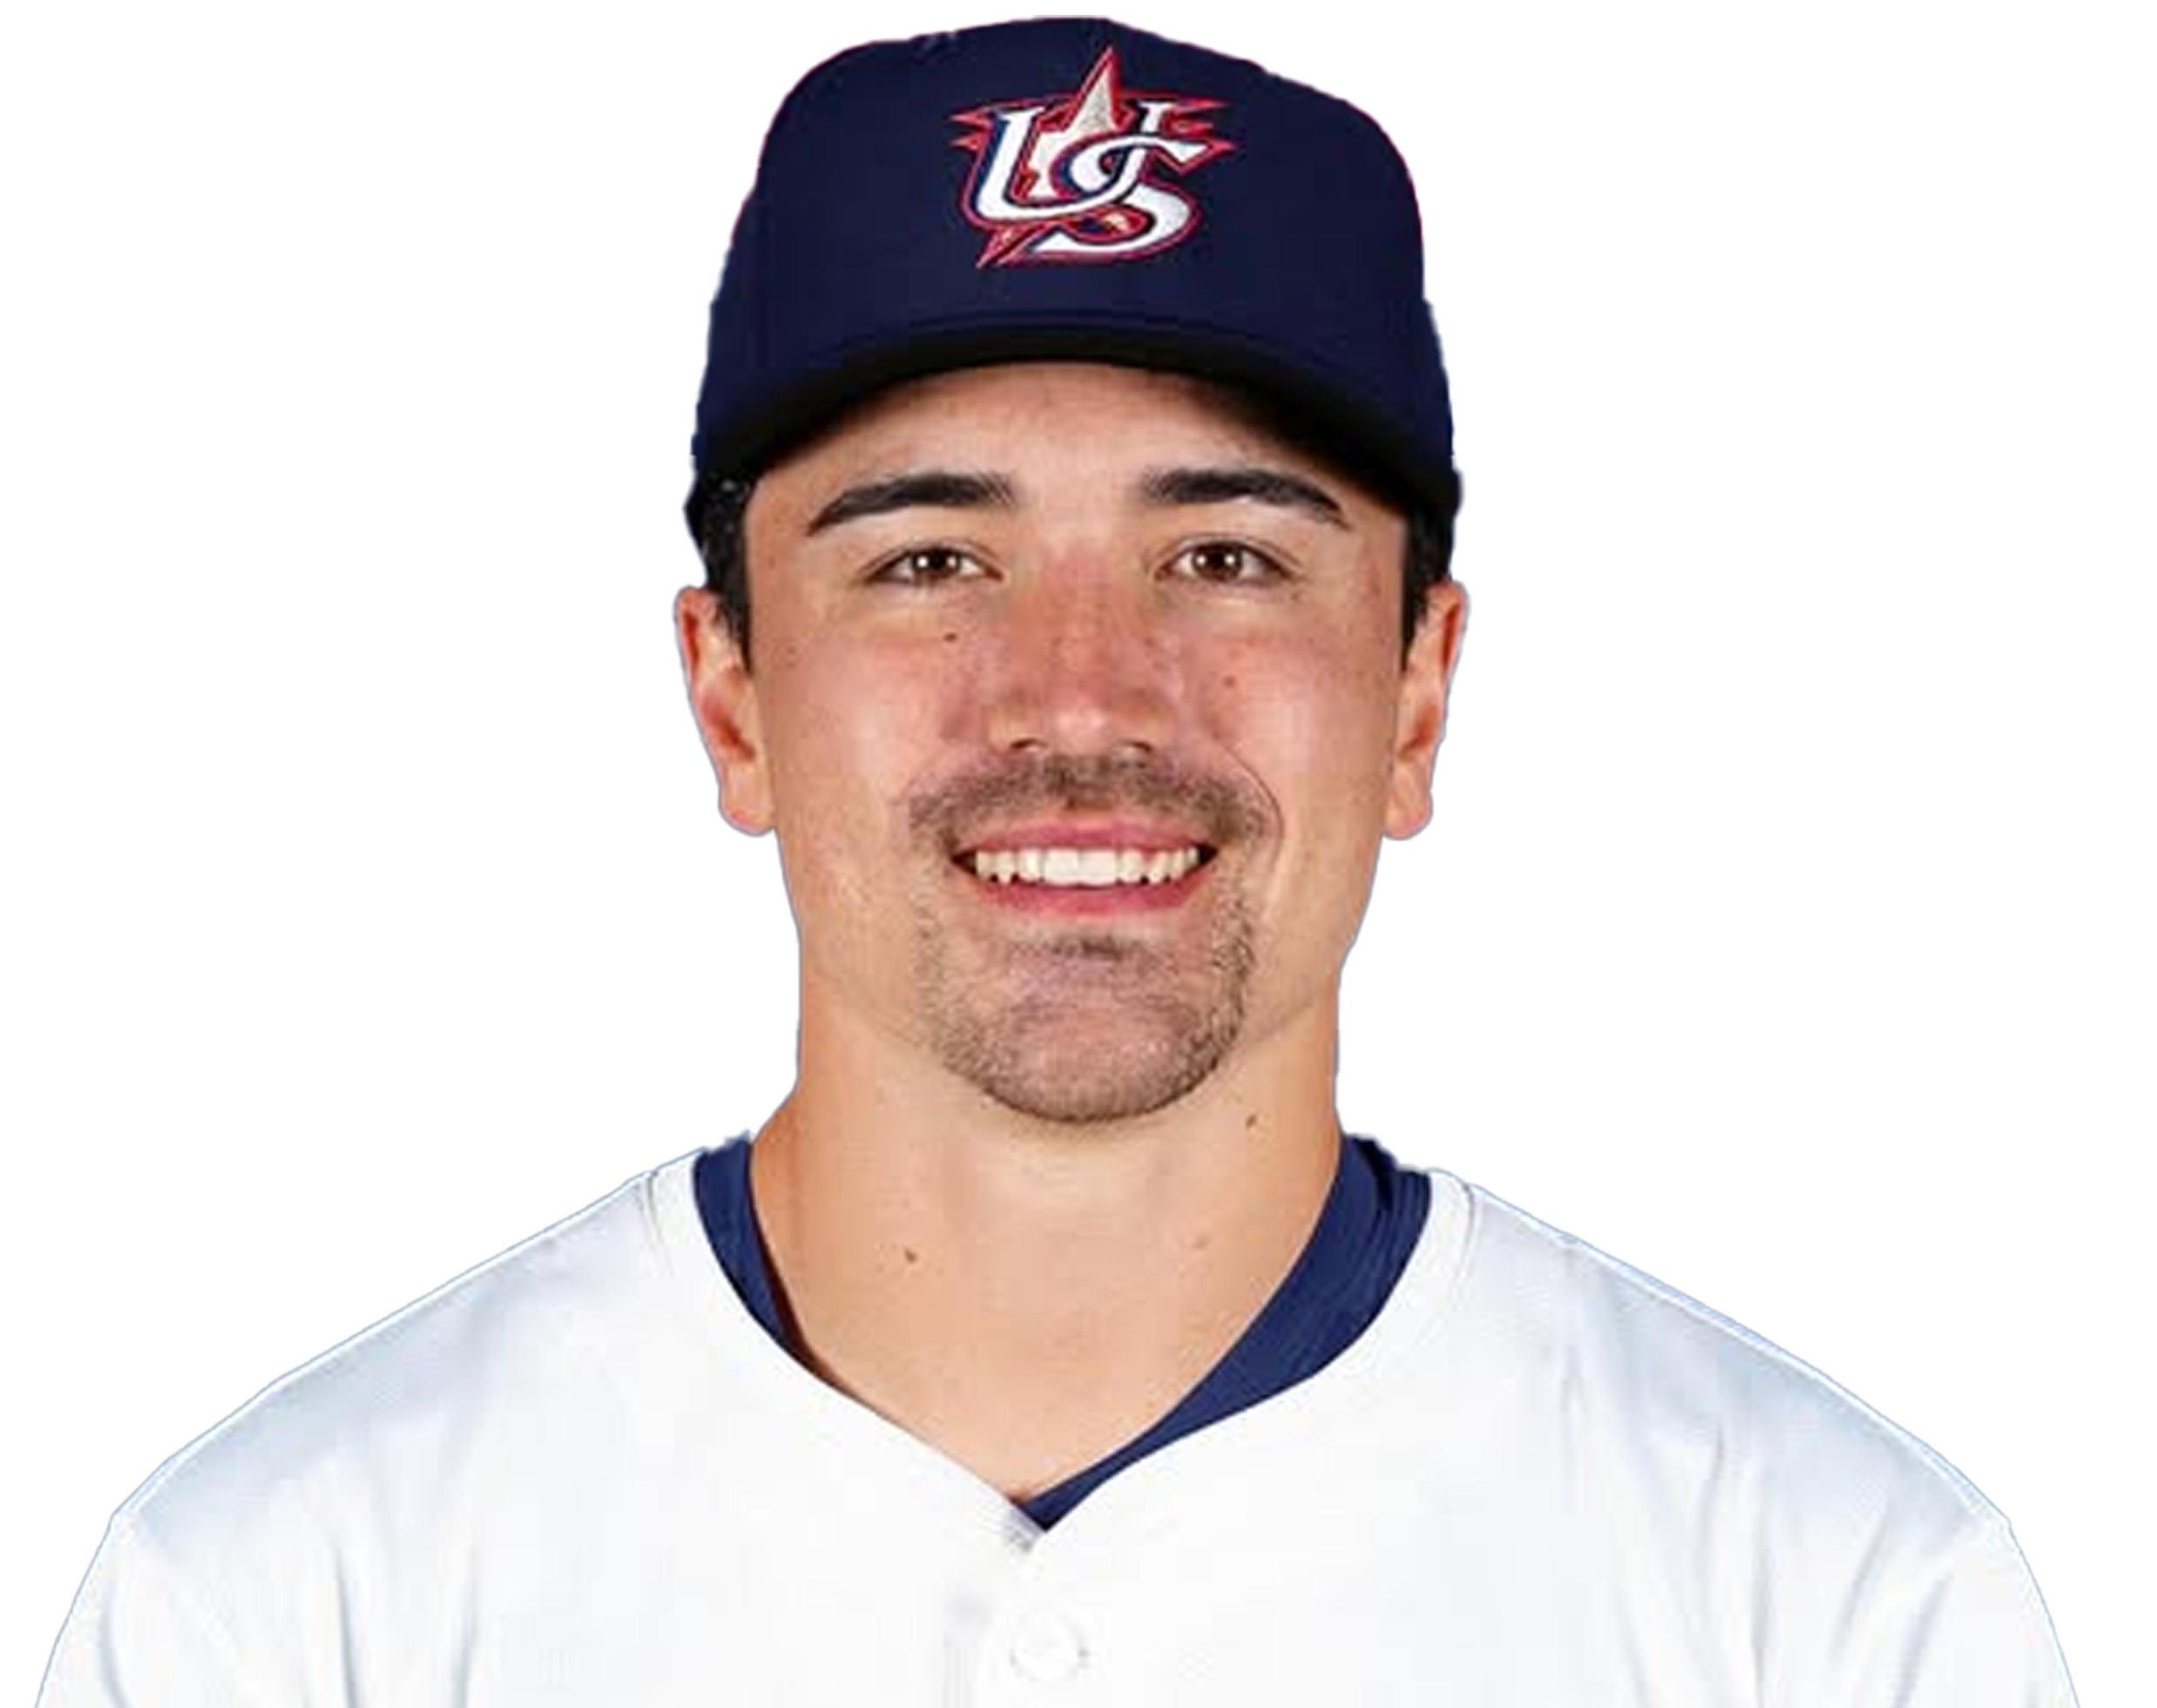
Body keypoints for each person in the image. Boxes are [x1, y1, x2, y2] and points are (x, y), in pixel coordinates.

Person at [42, 17, 2077, 1705]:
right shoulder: (294, 1595)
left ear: (1412, 699)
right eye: (932, 557)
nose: (1081, 696)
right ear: (730, 698)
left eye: (1226, 555)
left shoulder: (1822, 1601)